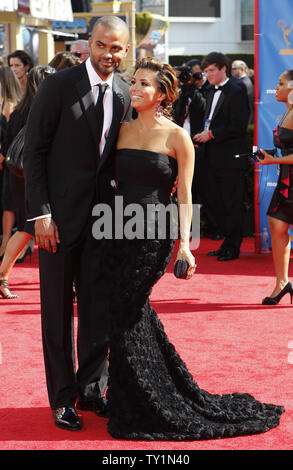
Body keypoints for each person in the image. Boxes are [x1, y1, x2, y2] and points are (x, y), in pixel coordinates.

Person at [96, 56, 284, 440]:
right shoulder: (119, 129)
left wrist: (186, 247)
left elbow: (184, 195)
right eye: (134, 83)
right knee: (127, 312)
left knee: (125, 309)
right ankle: (136, 397)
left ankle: (148, 400)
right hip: (116, 228)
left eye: (144, 84)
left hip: (153, 233)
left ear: (163, 93)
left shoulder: (176, 136)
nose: (135, 89)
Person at [22, 16, 132, 431]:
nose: (109, 54)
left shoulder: (123, 91)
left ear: (125, 50)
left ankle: (91, 388)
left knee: (96, 310)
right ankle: (62, 398)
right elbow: (34, 153)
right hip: (57, 221)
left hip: (103, 220)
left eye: (117, 48)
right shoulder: (58, 85)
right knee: (56, 312)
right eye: (103, 45)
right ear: (90, 43)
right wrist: (41, 214)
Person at [0, 66, 55, 299]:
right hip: (35, 176)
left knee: (26, 228)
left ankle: (2, 276)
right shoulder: (43, 109)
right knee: (28, 228)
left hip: (18, 175)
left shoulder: (21, 107)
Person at [194, 52, 250, 261]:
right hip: (209, 157)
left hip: (229, 158)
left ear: (223, 69)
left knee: (231, 202)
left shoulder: (237, 89)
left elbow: (238, 125)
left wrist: (211, 134)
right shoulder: (208, 89)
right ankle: (226, 241)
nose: (207, 74)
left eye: (211, 71)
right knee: (214, 201)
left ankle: (232, 246)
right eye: (206, 71)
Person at [257, 69, 293, 305]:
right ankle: (282, 283)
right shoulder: (286, 112)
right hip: (286, 182)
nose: (276, 87)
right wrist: (270, 155)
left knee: (278, 225)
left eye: (281, 83)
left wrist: (273, 160)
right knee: (277, 226)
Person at [0, 66, 22, 259]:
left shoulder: (9, 106)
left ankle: (6, 243)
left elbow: (9, 137)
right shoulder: (11, 103)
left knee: (9, 204)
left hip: (7, 162)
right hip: (8, 161)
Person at [232, 60, 254, 124]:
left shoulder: (244, 83)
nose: (231, 70)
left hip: (243, 118)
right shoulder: (241, 81)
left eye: (234, 68)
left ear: (241, 69)